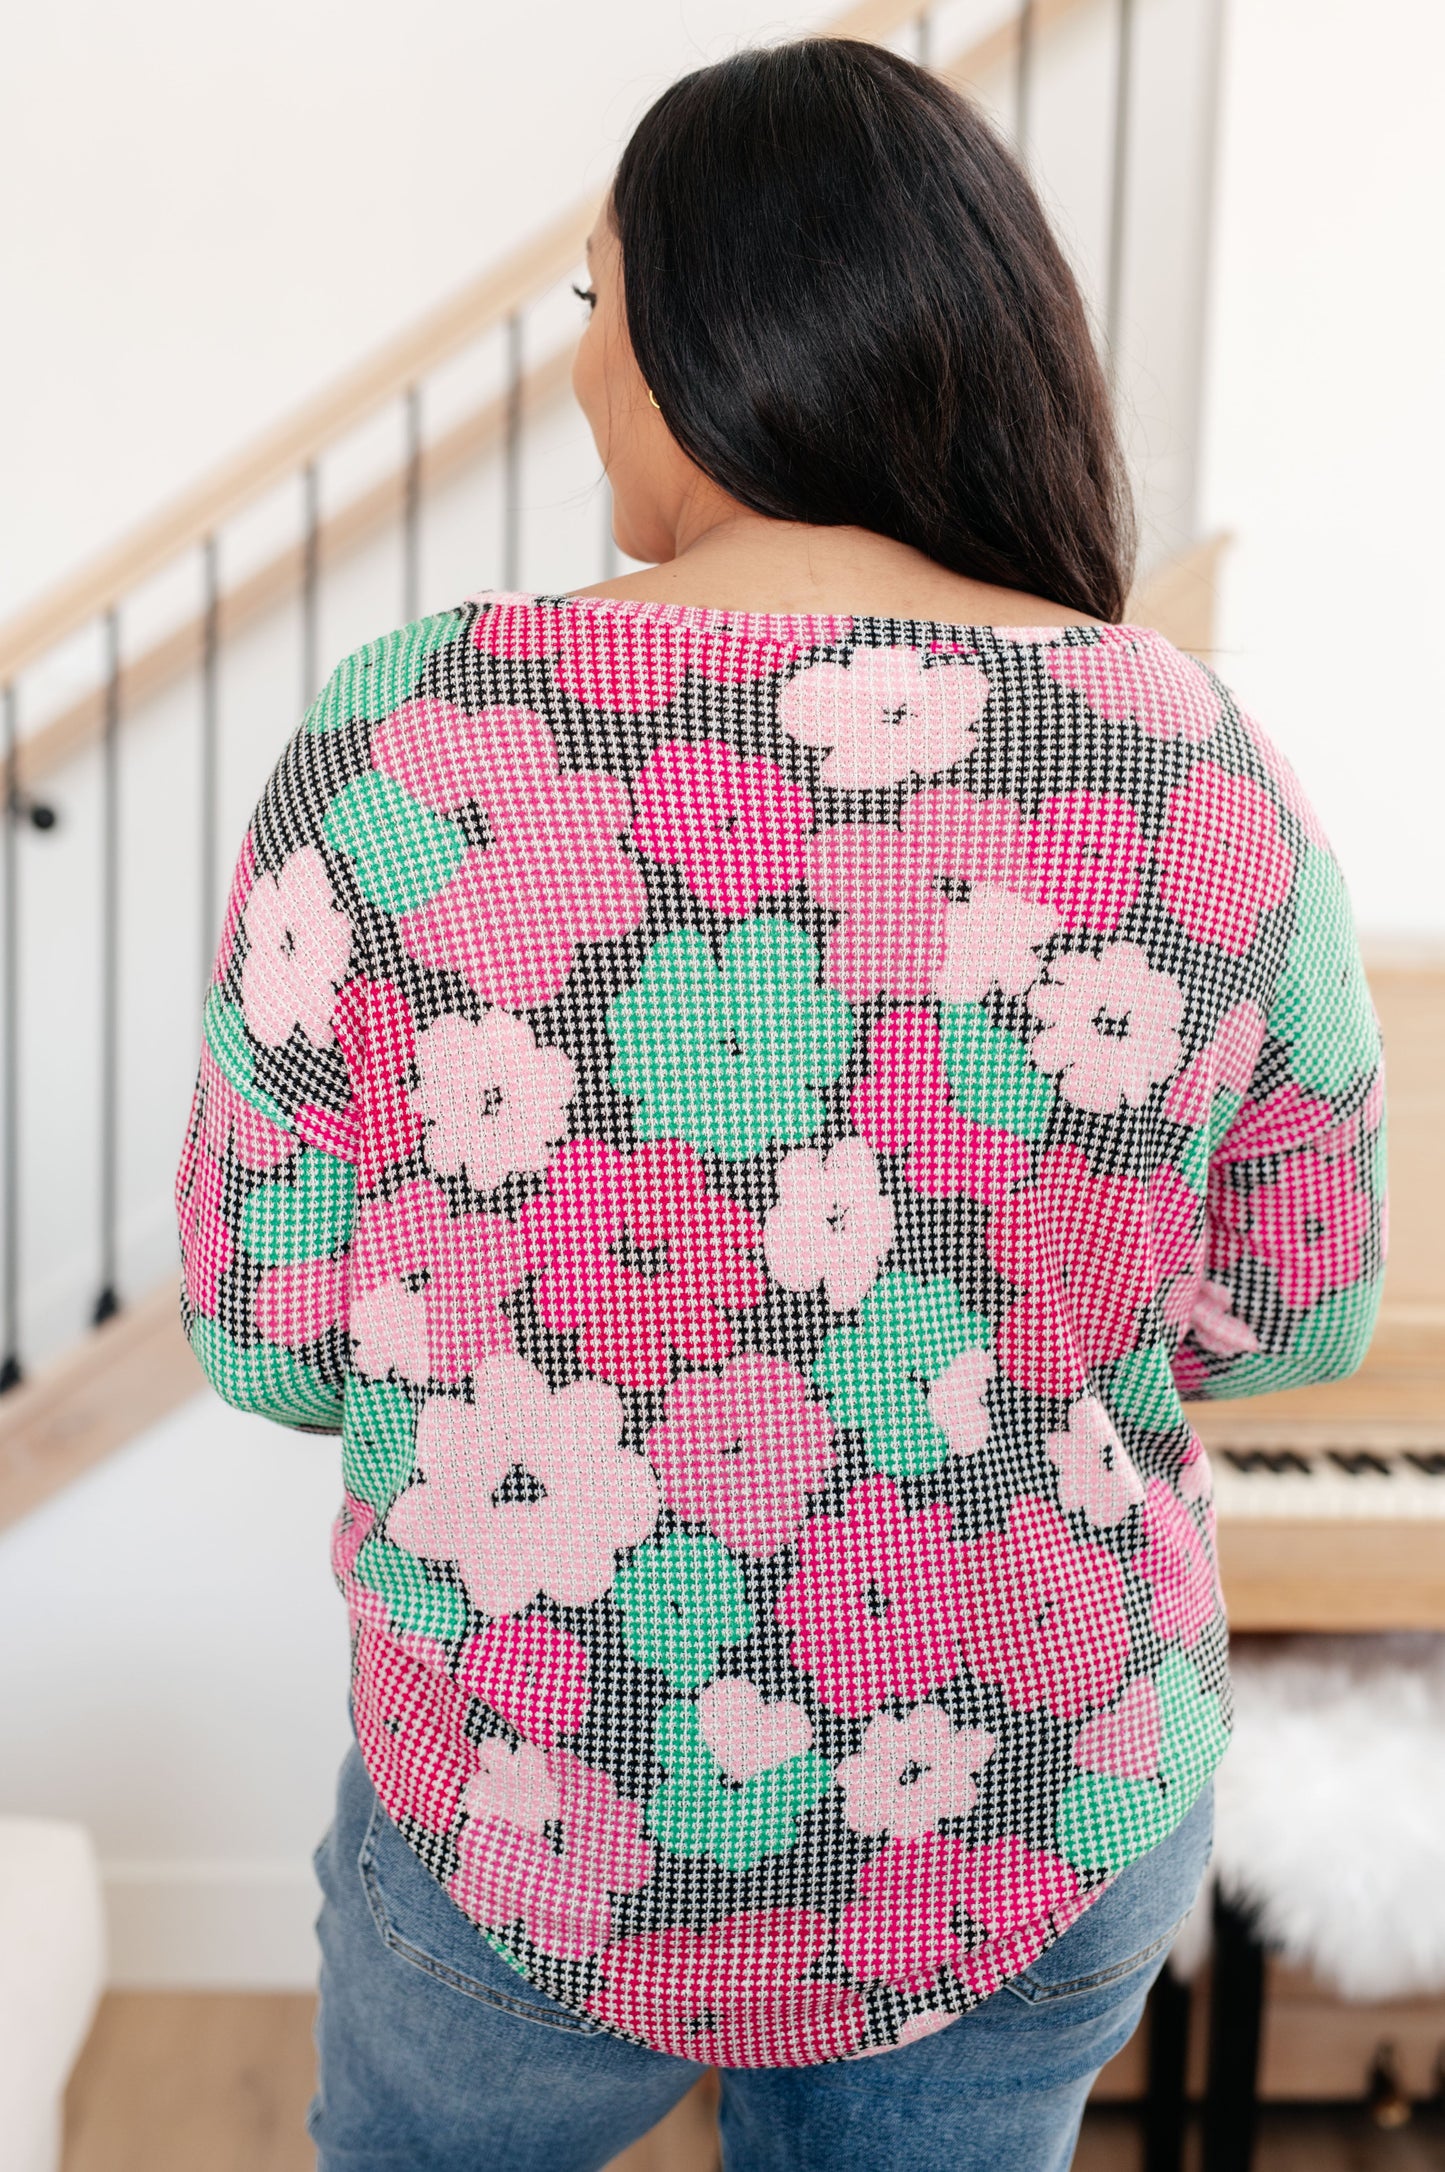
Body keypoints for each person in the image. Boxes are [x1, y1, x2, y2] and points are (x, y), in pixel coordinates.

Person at [174, 36, 1386, 2172]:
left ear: (702, 334)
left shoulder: (408, 736)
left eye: (594, 303)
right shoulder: (1189, 760)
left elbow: (267, 1334)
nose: (581, 369)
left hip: (533, 1808)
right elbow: (1295, 1309)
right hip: (1033, 1800)